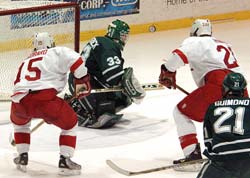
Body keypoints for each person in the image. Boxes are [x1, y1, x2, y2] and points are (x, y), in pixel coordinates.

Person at [158, 19, 248, 166]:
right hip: (241, 88)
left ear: (194, 31)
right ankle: (241, 151)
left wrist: (166, 70)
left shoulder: (194, 42)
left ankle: (192, 155)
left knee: (181, 112)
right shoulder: (224, 44)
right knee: (238, 119)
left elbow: (177, 57)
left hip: (217, 85)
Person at [10, 32, 91, 176]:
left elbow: (18, 83)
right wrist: (82, 80)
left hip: (19, 102)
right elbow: (78, 62)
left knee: (21, 125)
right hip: (46, 101)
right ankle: (65, 160)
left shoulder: (25, 60)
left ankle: (22, 156)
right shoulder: (57, 51)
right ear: (51, 42)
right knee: (70, 125)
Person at [65, 19, 146, 129]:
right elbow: (114, 76)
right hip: (79, 83)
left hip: (87, 80)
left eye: (126, 36)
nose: (124, 39)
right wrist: (130, 88)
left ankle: (85, 103)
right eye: (123, 36)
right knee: (101, 113)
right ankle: (77, 107)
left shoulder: (104, 42)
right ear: (115, 34)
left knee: (123, 99)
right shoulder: (108, 45)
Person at [197, 72, 250, 178]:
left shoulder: (212, 107)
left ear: (224, 88)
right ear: (243, 89)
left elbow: (208, 141)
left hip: (222, 161)